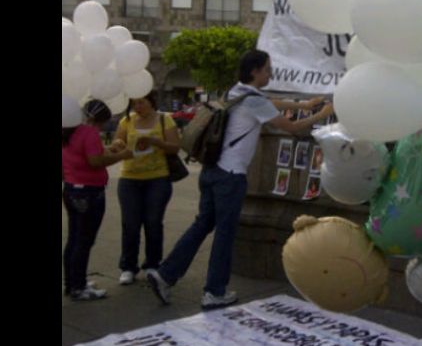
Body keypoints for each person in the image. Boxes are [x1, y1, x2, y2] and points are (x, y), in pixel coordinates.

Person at [146, 50, 335, 310]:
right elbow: (290, 127)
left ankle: (165, 274)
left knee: (202, 225)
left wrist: (302, 105)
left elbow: (270, 103)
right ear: (255, 71)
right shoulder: (254, 100)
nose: (270, 73)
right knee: (225, 234)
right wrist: (323, 112)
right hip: (231, 176)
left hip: (212, 171)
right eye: (267, 69)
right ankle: (214, 291)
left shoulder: (234, 92)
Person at [62, 100, 131, 301]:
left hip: (72, 189)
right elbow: (95, 161)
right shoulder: (89, 132)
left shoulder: (69, 131)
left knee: (74, 239)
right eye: (103, 124)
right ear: (98, 120)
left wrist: (111, 149)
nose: (101, 128)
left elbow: (90, 155)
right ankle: (79, 287)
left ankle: (73, 282)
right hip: (89, 193)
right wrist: (123, 155)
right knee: (84, 240)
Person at [112, 92, 180, 285]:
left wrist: (156, 142)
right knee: (130, 224)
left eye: (141, 103)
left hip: (157, 179)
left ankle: (152, 263)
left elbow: (175, 147)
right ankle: (128, 266)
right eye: (134, 104)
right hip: (129, 179)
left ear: (151, 102)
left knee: (153, 222)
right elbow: (118, 142)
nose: (137, 107)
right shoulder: (127, 121)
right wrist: (118, 144)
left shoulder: (164, 119)